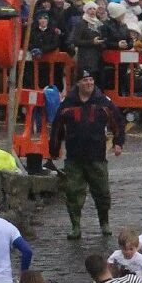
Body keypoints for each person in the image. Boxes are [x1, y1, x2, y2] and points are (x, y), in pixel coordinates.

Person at [49, 68, 124, 239]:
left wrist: (118, 143)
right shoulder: (68, 103)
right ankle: (75, 226)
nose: (89, 83)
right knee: (73, 194)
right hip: (74, 158)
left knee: (102, 193)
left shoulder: (103, 102)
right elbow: (57, 128)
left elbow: (117, 121)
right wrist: (54, 149)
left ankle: (104, 223)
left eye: (91, 80)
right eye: (85, 80)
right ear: (78, 83)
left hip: (97, 157)